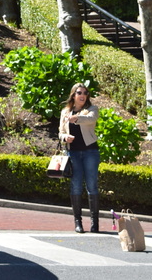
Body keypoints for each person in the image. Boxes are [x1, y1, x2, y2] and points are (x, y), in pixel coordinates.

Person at [60, 82, 100, 233]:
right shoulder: (65, 112)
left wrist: (76, 119)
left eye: (85, 93)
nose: (83, 95)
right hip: (73, 153)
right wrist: (65, 137)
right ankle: (78, 222)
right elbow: (60, 132)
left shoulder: (91, 109)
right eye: (79, 93)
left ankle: (94, 223)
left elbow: (91, 119)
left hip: (90, 152)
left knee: (92, 186)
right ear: (73, 95)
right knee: (76, 186)